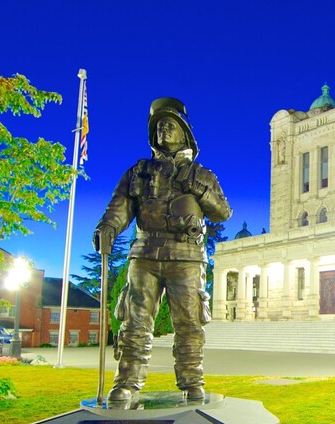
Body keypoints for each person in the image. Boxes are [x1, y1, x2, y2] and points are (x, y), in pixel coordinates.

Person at [93, 97, 232, 402]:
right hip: (145, 253)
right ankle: (126, 383)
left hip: (186, 255)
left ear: (185, 134)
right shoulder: (138, 172)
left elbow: (223, 212)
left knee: (189, 323)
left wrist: (199, 189)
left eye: (170, 125)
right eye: (159, 127)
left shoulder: (203, 174)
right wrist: (108, 228)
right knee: (135, 322)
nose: (164, 130)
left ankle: (192, 382)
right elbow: (119, 208)